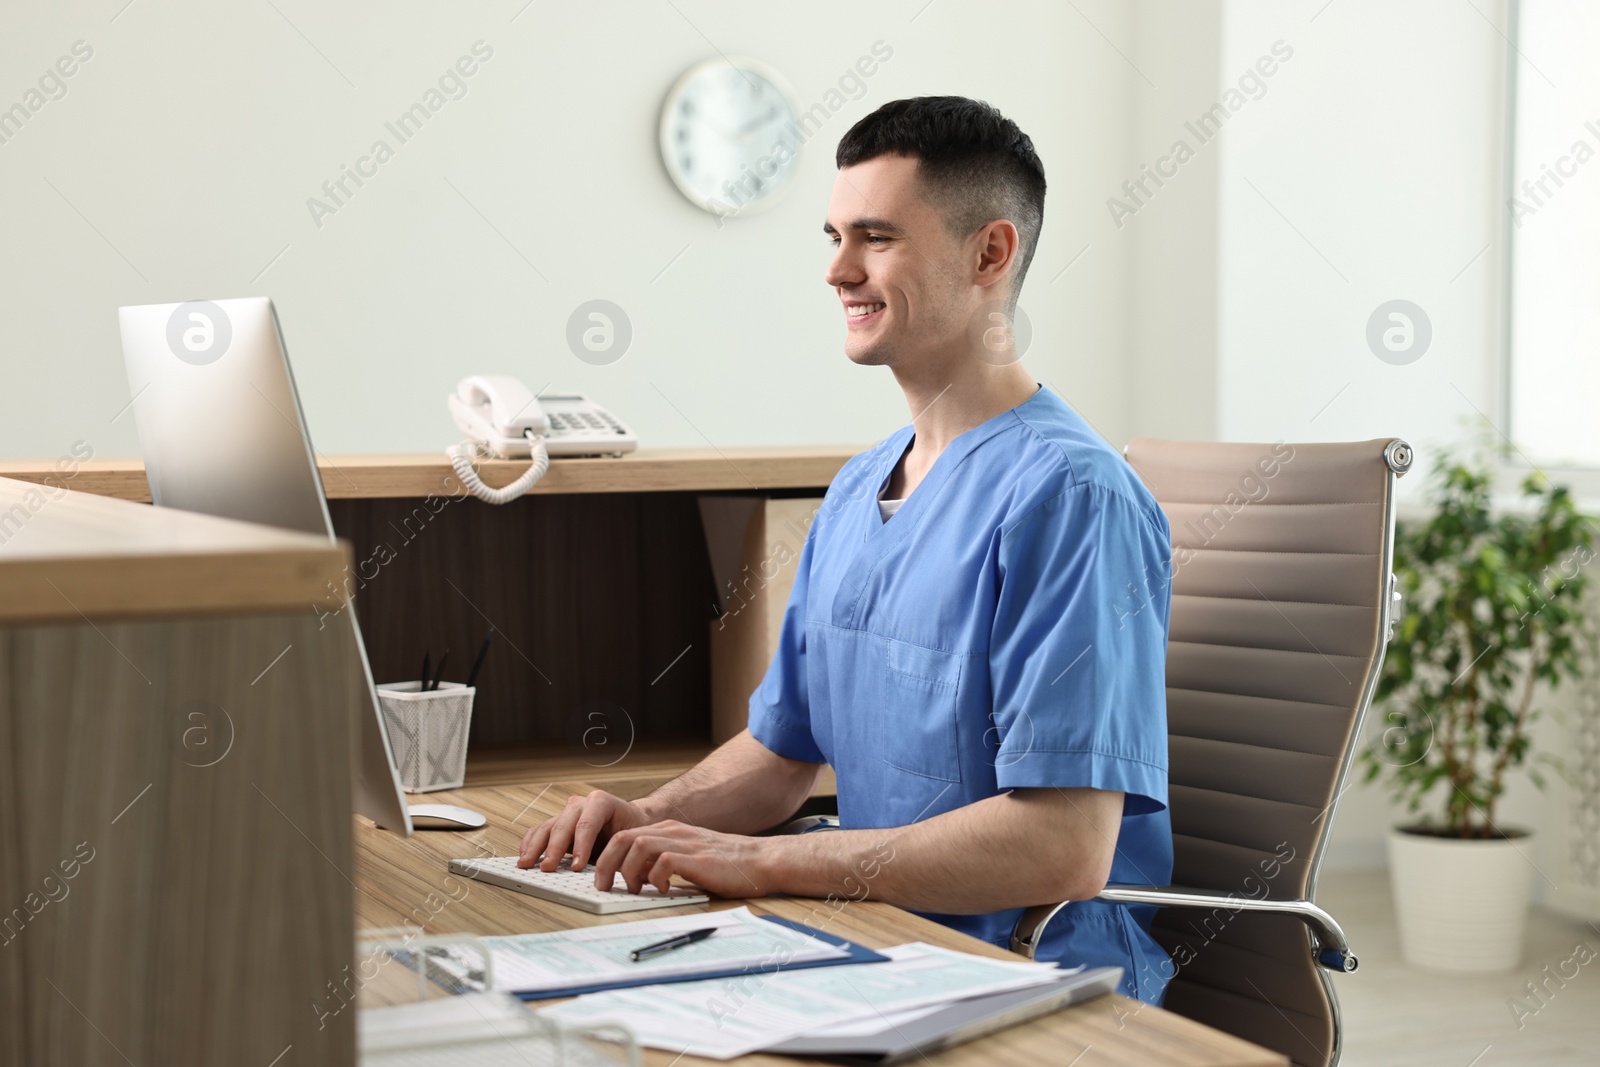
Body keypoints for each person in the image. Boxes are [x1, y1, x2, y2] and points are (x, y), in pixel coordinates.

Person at [520, 96, 1175, 1004]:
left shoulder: (1071, 497)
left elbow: (1064, 843)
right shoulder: (857, 488)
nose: (836, 269)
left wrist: (769, 864)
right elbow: (785, 751)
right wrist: (647, 818)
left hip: (1029, 976)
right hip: (870, 943)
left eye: (875, 237)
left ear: (990, 254)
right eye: (832, 234)